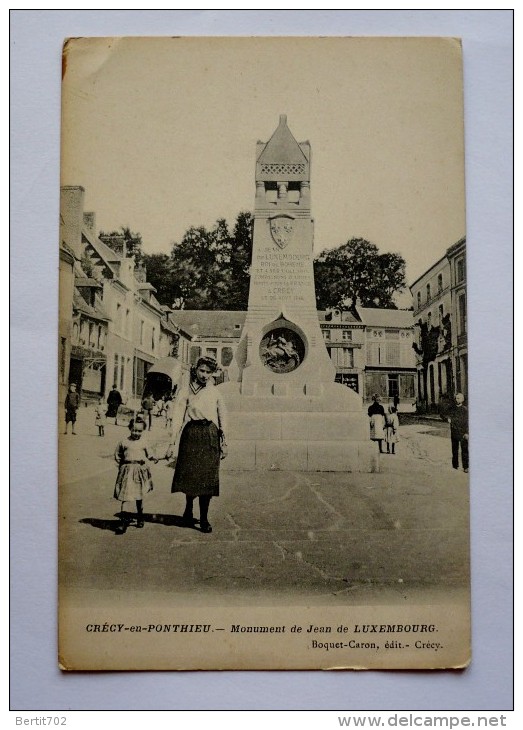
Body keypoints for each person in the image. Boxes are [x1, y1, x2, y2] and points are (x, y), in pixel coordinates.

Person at [170, 356, 228, 534]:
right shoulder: (185, 390)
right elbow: (178, 414)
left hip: (209, 434)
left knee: (207, 477)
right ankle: (188, 507)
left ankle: (204, 518)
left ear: (212, 374)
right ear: (196, 370)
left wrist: (224, 441)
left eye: (208, 372)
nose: (204, 375)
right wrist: (172, 440)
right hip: (191, 434)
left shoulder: (215, 391)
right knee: (191, 475)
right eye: (201, 371)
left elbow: (222, 415)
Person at [113, 420, 157, 534]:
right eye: (134, 430)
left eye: (139, 431)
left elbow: (150, 454)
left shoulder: (144, 442)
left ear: (142, 431)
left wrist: (155, 458)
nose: (136, 433)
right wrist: (122, 466)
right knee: (125, 496)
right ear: (129, 428)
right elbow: (118, 455)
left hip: (139, 470)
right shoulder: (123, 442)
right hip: (127, 471)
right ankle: (123, 522)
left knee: (139, 495)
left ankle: (140, 516)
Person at [447, 392, 469, 473]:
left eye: (459, 398)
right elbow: (443, 414)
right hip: (454, 432)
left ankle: (466, 467)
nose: (457, 400)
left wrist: (467, 433)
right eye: (456, 398)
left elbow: (467, 422)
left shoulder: (465, 410)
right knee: (454, 450)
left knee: (465, 450)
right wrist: (448, 418)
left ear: (462, 399)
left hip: (463, 433)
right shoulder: (452, 408)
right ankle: (455, 465)